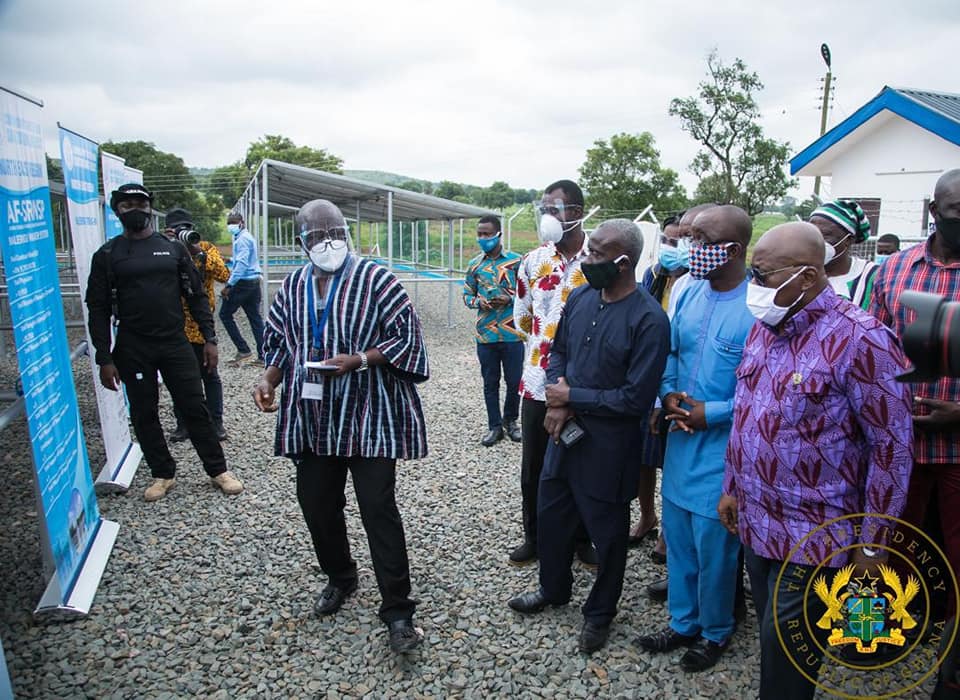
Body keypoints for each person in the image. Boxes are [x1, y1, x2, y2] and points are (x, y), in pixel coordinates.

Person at [719, 222, 913, 700]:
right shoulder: (766, 327)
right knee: (773, 638)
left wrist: (873, 545)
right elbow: (746, 411)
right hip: (758, 522)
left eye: (761, 276)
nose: (753, 287)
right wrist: (731, 486)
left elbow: (893, 447)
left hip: (817, 535)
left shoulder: (862, 339)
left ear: (806, 277)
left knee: (788, 654)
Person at [252, 199, 427, 654]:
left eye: (335, 232)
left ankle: (398, 610)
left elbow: (408, 339)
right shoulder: (292, 286)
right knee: (316, 504)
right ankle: (341, 577)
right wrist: (268, 379)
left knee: (378, 508)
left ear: (346, 233)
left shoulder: (377, 279)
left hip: (370, 413)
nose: (327, 241)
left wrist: (362, 359)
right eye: (316, 234)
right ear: (300, 241)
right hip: (313, 419)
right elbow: (277, 343)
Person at [507, 219, 670, 654]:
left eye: (597, 254)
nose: (588, 260)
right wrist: (559, 400)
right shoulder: (580, 296)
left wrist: (571, 396)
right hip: (564, 434)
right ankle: (553, 588)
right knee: (553, 513)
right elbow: (557, 351)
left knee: (607, 532)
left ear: (623, 262)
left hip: (609, 448)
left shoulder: (650, 319)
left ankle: (600, 612)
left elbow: (635, 398)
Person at [635, 205, 755, 671]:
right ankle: (683, 622)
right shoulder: (687, 292)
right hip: (681, 438)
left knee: (716, 547)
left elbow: (763, 390)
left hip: (725, 450)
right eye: (691, 238)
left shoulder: (756, 306)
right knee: (680, 536)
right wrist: (667, 396)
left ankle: (716, 631)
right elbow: (671, 352)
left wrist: (714, 412)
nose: (692, 248)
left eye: (702, 239)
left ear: (734, 250)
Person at [85, 185, 243, 502]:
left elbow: (196, 296)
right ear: (117, 211)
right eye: (128, 205)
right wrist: (104, 358)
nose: (136, 210)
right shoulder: (107, 255)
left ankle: (218, 470)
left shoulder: (172, 249)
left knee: (195, 407)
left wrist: (210, 339)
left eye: (141, 204)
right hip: (132, 346)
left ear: (150, 209)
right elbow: (98, 309)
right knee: (144, 412)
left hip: (176, 343)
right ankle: (163, 473)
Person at [870, 169, 960, 593]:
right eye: (957, 211)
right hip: (898, 446)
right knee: (891, 545)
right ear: (934, 212)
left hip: (958, 447)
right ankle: (889, 631)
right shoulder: (892, 271)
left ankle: (952, 646)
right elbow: (869, 355)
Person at [511, 179, 597, 569]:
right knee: (535, 466)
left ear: (576, 214)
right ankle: (536, 536)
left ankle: (581, 538)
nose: (547, 216)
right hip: (537, 383)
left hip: (586, 385)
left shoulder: (601, 258)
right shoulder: (532, 261)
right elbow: (524, 318)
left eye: (554, 208)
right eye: (543, 208)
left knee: (581, 464)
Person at [627, 214, 687, 549]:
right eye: (667, 241)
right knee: (643, 457)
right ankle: (647, 516)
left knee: (674, 458)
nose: (671, 249)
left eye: (679, 242)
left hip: (679, 384)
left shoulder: (700, 281)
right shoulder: (653, 276)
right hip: (649, 376)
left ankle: (670, 530)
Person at [162, 208, 231, 442]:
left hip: (202, 326)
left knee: (210, 375)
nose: (183, 233)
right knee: (178, 378)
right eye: (177, 229)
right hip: (174, 327)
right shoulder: (162, 249)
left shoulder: (206, 248)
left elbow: (224, 274)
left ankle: (216, 422)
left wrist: (196, 251)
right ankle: (183, 424)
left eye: (187, 228)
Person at [462, 215, 523, 446]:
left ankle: (511, 421)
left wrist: (510, 298)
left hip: (513, 334)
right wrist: (480, 302)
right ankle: (494, 427)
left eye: (487, 234)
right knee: (490, 383)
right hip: (486, 334)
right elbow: (467, 295)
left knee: (515, 381)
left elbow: (530, 293)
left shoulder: (517, 262)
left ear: (499, 234)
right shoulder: (475, 265)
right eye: (480, 234)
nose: (483, 238)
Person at [808, 199, 875, 309]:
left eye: (825, 235)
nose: (815, 241)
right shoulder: (798, 273)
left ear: (848, 240)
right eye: (811, 233)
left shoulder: (872, 277)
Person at [220, 212, 265, 365]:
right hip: (253, 282)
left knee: (224, 314)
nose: (230, 225)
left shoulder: (243, 240)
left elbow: (242, 265)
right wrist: (230, 260)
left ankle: (243, 349)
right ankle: (263, 355)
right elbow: (243, 260)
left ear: (241, 223)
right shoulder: (243, 237)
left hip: (243, 283)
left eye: (233, 222)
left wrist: (229, 285)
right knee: (255, 318)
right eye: (229, 222)